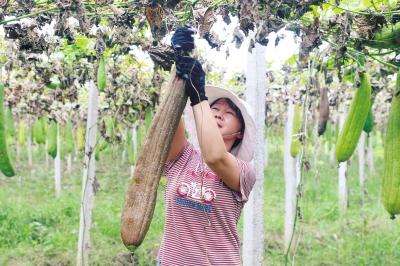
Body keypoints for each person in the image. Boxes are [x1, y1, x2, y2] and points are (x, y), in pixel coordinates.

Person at [157, 27, 256, 266]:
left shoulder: (244, 172)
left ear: (240, 131)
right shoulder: (183, 156)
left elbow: (214, 157)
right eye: (215, 109)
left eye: (229, 113)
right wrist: (179, 63)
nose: (220, 114)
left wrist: (199, 94)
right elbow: (167, 118)